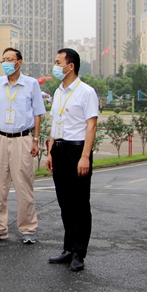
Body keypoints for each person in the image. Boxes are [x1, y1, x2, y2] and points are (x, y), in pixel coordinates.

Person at [0, 47, 46, 245]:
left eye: (10, 59)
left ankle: (28, 228)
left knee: (24, 186)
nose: (6, 63)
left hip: (22, 139)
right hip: (1, 139)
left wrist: (35, 140)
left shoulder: (31, 84)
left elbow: (37, 114)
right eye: (3, 60)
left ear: (19, 62)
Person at [46, 48, 99, 272]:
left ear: (71, 66)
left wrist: (85, 156)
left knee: (79, 204)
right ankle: (67, 249)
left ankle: (79, 252)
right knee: (64, 202)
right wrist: (49, 150)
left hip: (76, 151)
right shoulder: (58, 91)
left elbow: (91, 125)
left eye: (58, 62)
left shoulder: (86, 92)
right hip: (58, 148)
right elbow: (54, 123)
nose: (55, 66)